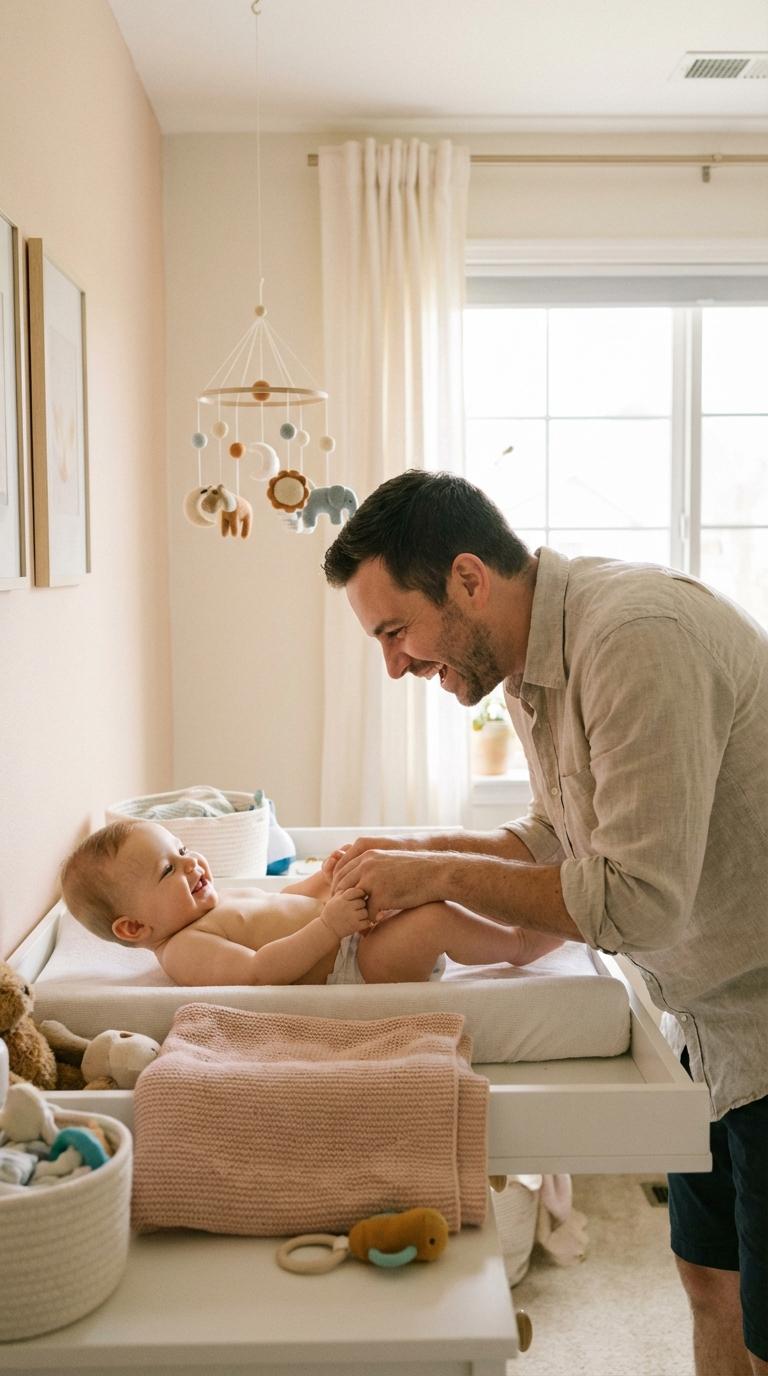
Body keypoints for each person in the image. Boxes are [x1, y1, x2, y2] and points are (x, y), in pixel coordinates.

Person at [322, 468, 768, 1376]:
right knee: (706, 1274)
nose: (395, 665)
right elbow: (555, 836)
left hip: (761, 1012)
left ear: (468, 579)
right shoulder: (531, 669)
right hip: (703, 1023)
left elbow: (634, 896)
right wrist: (412, 855)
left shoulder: (635, 641)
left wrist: (436, 871)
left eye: (395, 631)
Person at [59, 818, 560, 988]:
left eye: (184, 850)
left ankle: (510, 904)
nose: (192, 865)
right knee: (432, 921)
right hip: (354, 966)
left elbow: (281, 903)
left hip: (350, 931)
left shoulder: (207, 908)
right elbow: (259, 972)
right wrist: (329, 925)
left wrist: (322, 883)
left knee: (418, 881)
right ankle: (517, 943)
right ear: (133, 927)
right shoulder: (184, 950)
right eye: (169, 869)